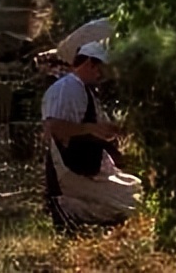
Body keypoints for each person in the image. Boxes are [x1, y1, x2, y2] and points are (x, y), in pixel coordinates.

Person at [42, 40, 142, 230]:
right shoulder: (68, 88)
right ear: (90, 63)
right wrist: (90, 129)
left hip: (89, 170)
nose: (102, 75)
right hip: (72, 175)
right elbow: (54, 127)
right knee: (132, 206)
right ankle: (67, 209)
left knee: (136, 189)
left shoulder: (83, 89)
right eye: (101, 69)